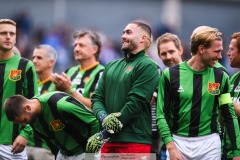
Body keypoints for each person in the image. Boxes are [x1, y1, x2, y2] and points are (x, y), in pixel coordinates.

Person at [156, 27, 240, 160]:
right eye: (216, 52)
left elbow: (229, 115)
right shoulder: (170, 75)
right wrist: (171, 147)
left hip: (209, 144)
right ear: (201, 49)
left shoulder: (221, 76)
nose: (220, 56)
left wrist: (236, 152)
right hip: (178, 142)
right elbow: (161, 114)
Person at [86, 21, 159, 156]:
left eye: (128, 32)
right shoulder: (111, 65)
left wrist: (104, 133)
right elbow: (96, 98)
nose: (123, 36)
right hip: (110, 141)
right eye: (123, 32)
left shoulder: (148, 66)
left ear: (143, 38)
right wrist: (104, 117)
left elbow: (135, 103)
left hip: (134, 141)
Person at [4, 91, 100, 160]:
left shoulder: (60, 105)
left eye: (24, 120)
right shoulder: (32, 116)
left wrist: (91, 153)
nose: (24, 124)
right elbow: (50, 140)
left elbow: (94, 121)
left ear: (28, 108)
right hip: (64, 154)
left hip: (85, 152)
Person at [0, 19, 38, 159]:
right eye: (3, 33)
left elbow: (35, 103)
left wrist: (25, 134)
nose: (8, 36)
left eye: (12, 33)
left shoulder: (25, 65)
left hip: (12, 144)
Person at [51, 30, 104, 109]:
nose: (76, 49)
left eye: (81, 45)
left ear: (94, 49)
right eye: (75, 45)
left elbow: (95, 106)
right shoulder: (69, 71)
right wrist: (57, 88)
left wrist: (69, 90)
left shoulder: (101, 72)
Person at [152, 32, 183, 160]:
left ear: (180, 50)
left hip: (191, 141)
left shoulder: (193, 74)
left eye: (171, 51)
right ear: (159, 55)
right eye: (163, 54)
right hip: (165, 143)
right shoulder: (160, 76)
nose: (168, 57)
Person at [26, 44, 58, 160]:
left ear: (51, 62)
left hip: (45, 148)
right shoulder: (29, 84)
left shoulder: (58, 86)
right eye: (33, 57)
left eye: (39, 58)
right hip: (25, 145)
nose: (34, 61)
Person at [222, 32, 240, 160]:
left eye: (231, 49)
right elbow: (222, 118)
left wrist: (223, 98)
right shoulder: (233, 79)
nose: (228, 53)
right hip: (227, 150)